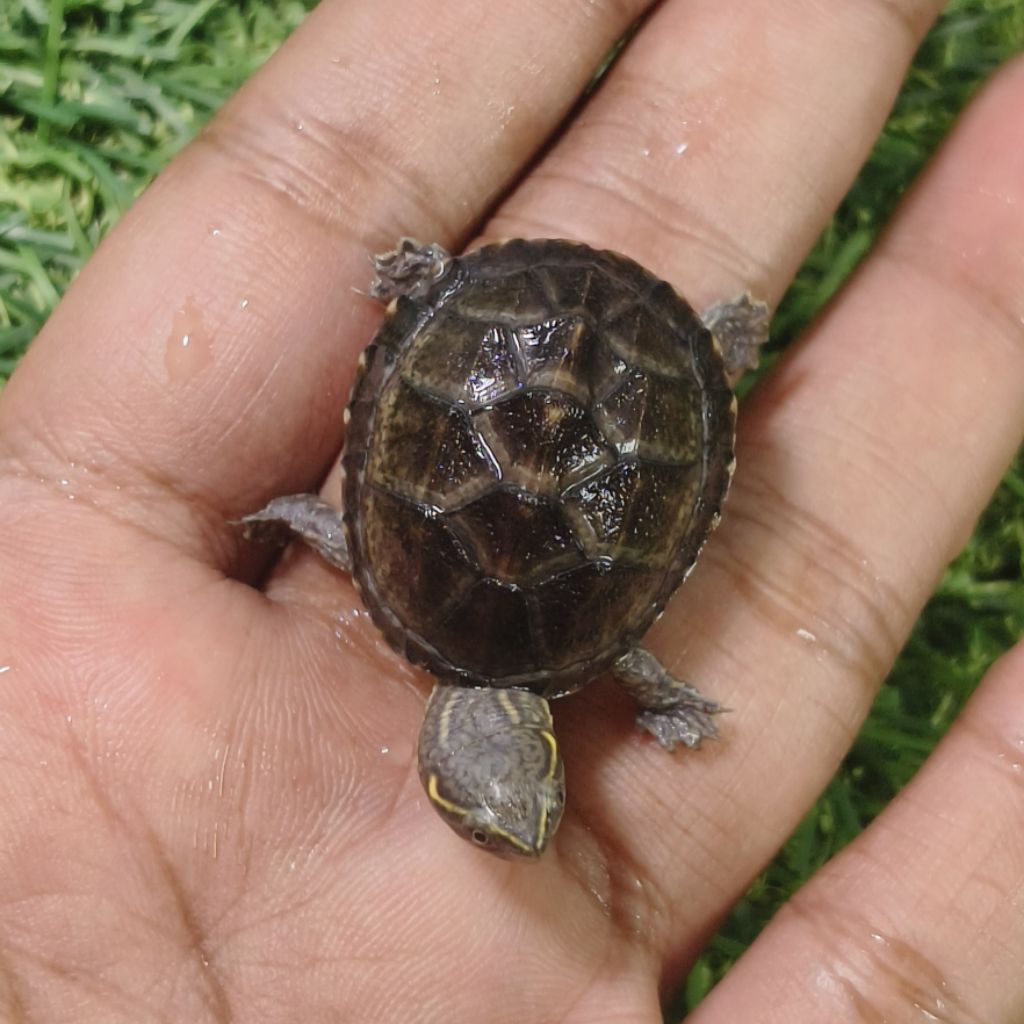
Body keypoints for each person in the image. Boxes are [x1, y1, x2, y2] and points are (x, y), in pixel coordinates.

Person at [1, 1, 1022, 1020]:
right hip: (570, 357)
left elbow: (349, 532)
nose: (530, 829)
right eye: (534, 801)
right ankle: (670, 345)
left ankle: (691, 347)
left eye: (493, 813)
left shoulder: (462, 613)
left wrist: (661, 696)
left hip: (519, 337)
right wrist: (297, 512)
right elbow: (348, 533)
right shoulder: (423, 598)